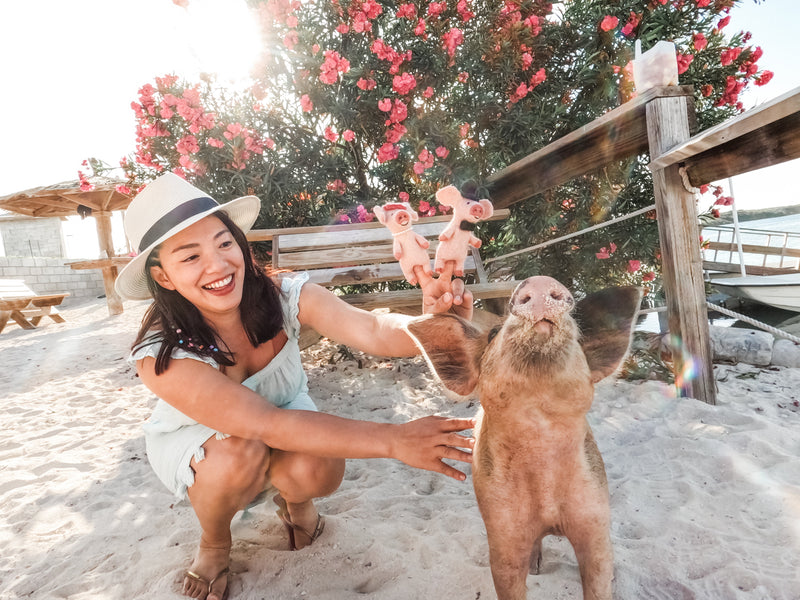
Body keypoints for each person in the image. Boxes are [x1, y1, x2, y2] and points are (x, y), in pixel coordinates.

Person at [114, 173, 476, 600]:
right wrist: (394, 440)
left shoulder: (283, 294)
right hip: (205, 443)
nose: (217, 265)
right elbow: (264, 423)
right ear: (164, 277)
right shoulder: (162, 353)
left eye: (224, 243)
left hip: (287, 415)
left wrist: (429, 327)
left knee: (319, 465)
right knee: (237, 452)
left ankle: (297, 505)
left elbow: (374, 329)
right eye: (190, 257)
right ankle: (214, 543)